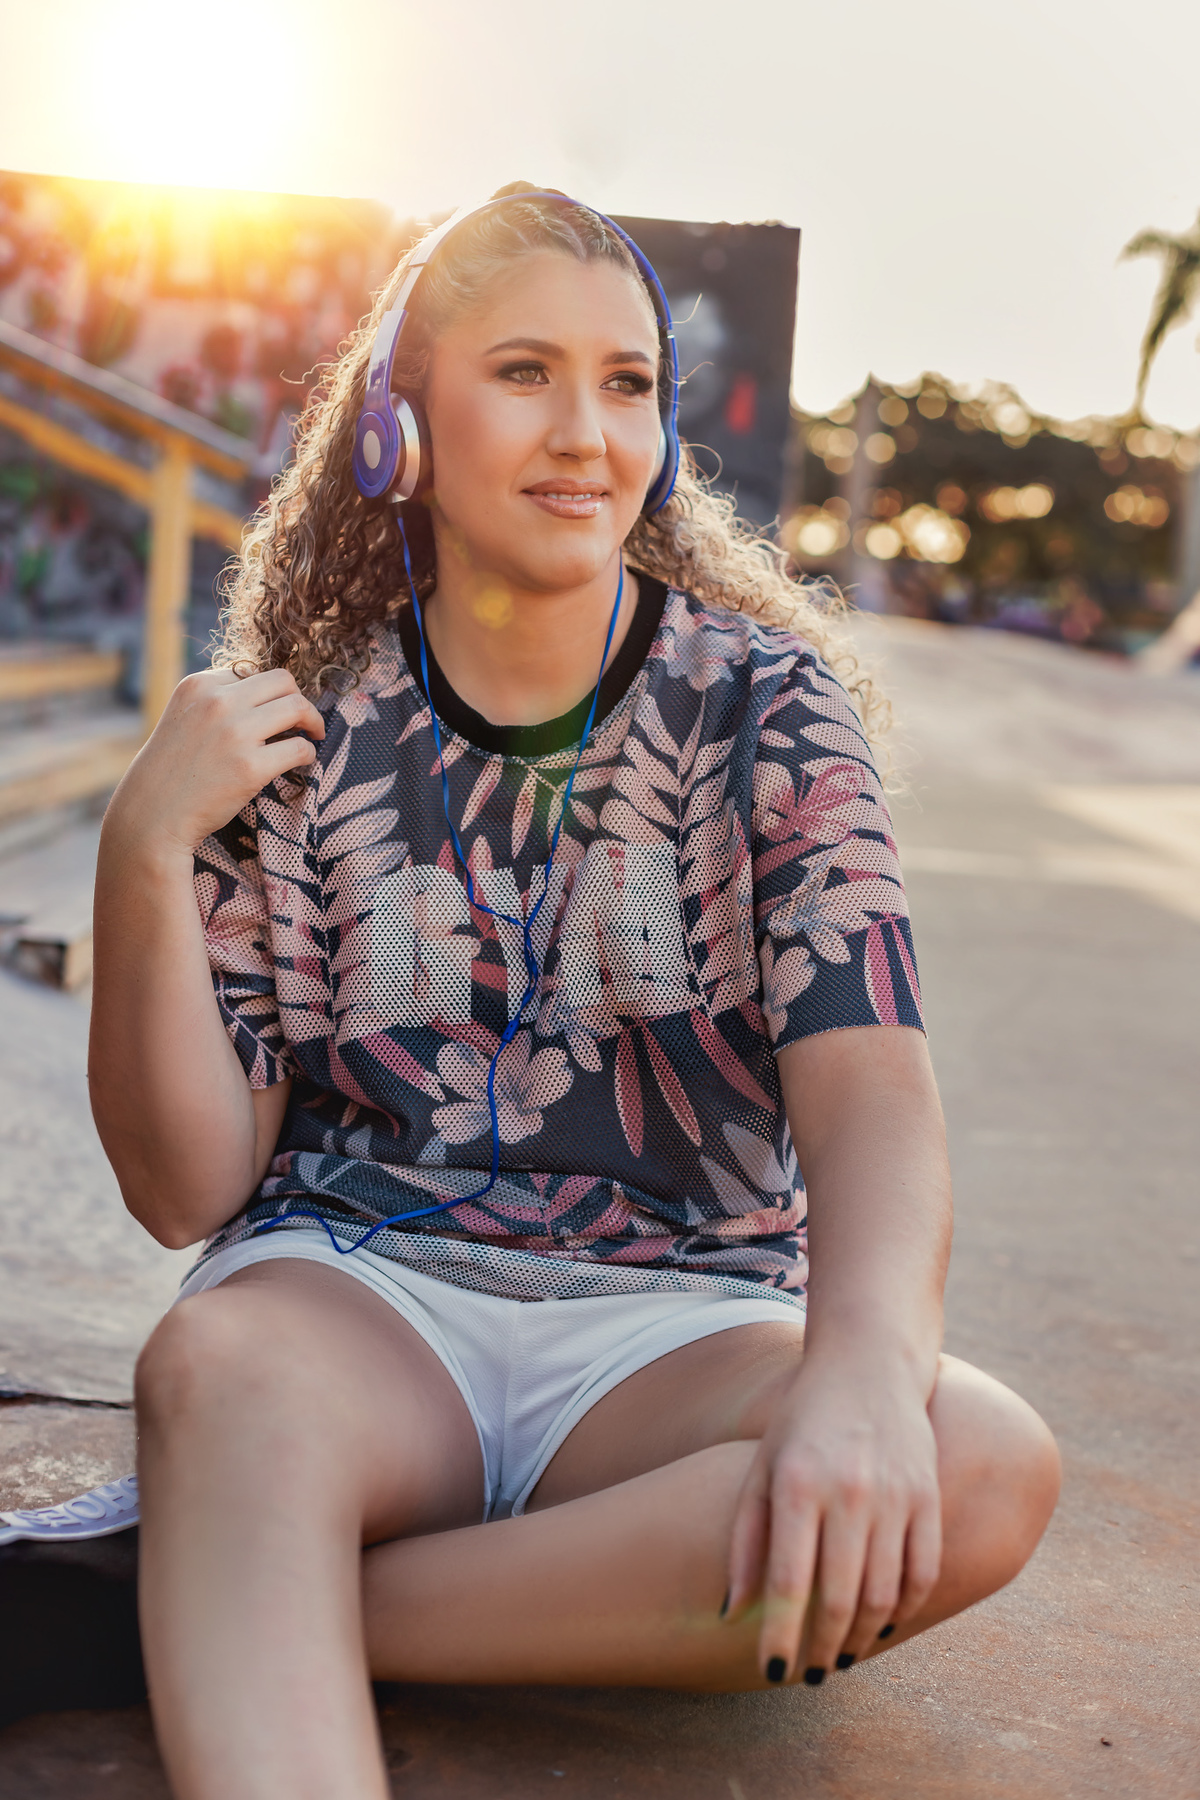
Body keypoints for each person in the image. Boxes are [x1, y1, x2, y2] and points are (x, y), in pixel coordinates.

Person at [85, 186, 1060, 1800]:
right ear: (400, 422)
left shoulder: (769, 707)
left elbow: (874, 1096)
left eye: (628, 384)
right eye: (523, 370)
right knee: (216, 1373)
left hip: (679, 1334)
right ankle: (258, 1567)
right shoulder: (301, 730)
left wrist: (865, 1383)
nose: (585, 433)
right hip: (361, 1299)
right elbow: (186, 1182)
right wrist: (141, 844)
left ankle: (257, 1595)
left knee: (980, 1465)